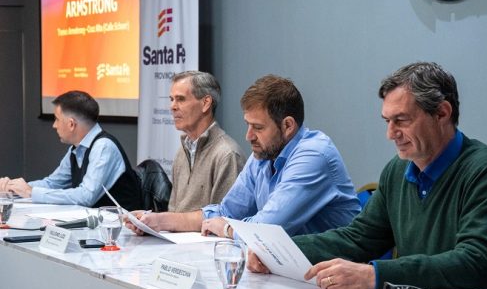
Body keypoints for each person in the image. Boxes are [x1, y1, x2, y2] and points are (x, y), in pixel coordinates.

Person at [247, 62, 487, 289]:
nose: (391, 134)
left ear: (442, 113)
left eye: (401, 120)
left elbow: (473, 264)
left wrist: (374, 275)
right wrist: (278, 251)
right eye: (387, 121)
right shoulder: (398, 170)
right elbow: (359, 238)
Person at [126, 75, 360, 238]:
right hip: (291, 270)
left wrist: (227, 228)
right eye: (248, 125)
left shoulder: (313, 155)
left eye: (258, 128)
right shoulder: (263, 156)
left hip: (336, 278)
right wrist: (157, 221)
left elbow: (266, 229)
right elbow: (224, 212)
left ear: (288, 126)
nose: (248, 136)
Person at [0, 91, 142, 211]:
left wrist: (31, 192)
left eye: (56, 119)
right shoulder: (77, 148)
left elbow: (86, 196)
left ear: (71, 124)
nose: (54, 126)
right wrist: (14, 187)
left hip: (120, 231)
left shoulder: (103, 147)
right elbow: (53, 183)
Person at [167, 71, 246, 212]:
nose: (172, 106)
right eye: (171, 99)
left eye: (180, 99)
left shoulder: (227, 155)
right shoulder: (182, 152)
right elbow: (172, 212)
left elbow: (224, 219)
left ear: (205, 103)